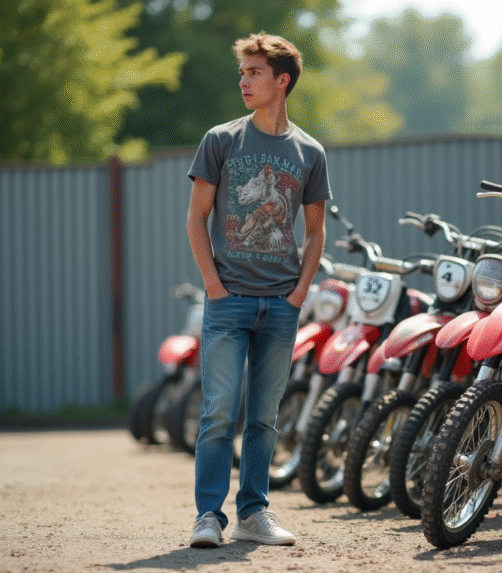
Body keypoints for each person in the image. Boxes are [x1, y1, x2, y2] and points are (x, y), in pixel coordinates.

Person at [185, 32, 331, 548]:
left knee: (265, 418)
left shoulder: (309, 151)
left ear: (282, 80)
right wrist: (213, 286)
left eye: (254, 73)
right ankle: (208, 517)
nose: (243, 81)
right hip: (229, 300)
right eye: (242, 72)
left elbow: (315, 231)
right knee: (219, 412)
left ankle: (253, 513)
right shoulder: (220, 140)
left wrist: (298, 295)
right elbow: (196, 219)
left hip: (281, 304)